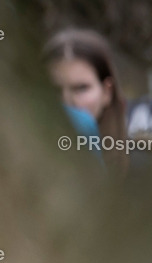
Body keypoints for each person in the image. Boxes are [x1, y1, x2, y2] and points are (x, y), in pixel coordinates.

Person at [44, 28, 128, 175]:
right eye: (55, 90)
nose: (67, 101)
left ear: (107, 92)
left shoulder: (141, 169)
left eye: (81, 88)